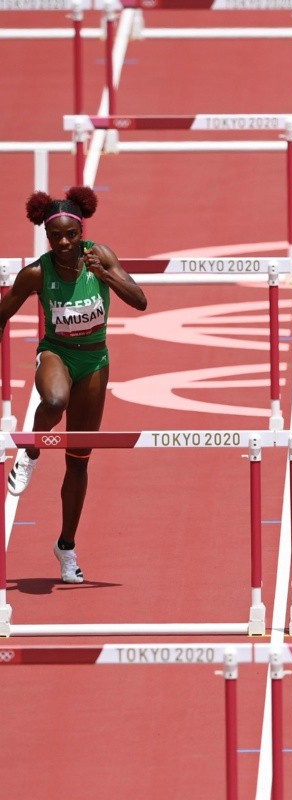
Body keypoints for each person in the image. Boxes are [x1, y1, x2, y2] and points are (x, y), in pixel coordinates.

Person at [0, 186, 147, 583]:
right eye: (55, 237)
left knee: (79, 460)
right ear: (46, 238)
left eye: (71, 235)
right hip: (57, 353)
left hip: (96, 360)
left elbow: (140, 300)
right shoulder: (37, 272)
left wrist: (106, 275)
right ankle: (29, 452)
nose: (64, 243)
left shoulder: (101, 256)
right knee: (53, 399)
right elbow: (1, 315)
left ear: (82, 232)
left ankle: (66, 546)